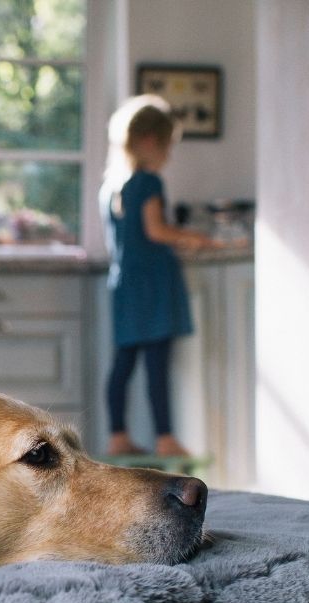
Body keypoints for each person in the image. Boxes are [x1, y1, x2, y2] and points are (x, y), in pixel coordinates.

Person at [101, 95, 220, 457]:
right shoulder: (149, 182)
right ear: (151, 141)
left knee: (124, 362)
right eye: (168, 145)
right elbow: (155, 231)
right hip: (152, 284)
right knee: (156, 363)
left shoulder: (112, 186)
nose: (169, 154)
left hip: (125, 283)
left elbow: (127, 239)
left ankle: (117, 434)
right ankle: (165, 438)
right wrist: (196, 238)